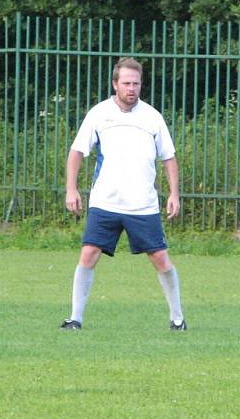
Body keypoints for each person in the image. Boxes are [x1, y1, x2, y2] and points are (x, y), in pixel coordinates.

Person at [60, 57, 186, 331]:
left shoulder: (152, 117)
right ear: (115, 84)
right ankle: (75, 319)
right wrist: (71, 189)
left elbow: (169, 157)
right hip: (105, 202)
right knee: (89, 254)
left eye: (136, 83)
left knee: (161, 259)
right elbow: (77, 152)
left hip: (142, 205)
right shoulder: (99, 114)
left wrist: (174, 194)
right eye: (127, 83)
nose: (132, 88)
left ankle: (177, 318)